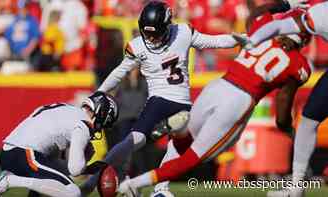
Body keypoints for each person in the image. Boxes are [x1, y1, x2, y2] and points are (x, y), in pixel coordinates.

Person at [118, 0, 314, 195]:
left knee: (186, 144)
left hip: (218, 86)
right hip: (240, 100)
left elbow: (257, 12)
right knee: (196, 156)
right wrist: (288, 130)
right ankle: (134, 183)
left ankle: (174, 152)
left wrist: (286, 4)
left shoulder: (262, 31)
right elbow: (282, 109)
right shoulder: (299, 65)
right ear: (304, 38)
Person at [80, 1, 245, 196]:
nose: (150, 38)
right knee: (135, 140)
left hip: (182, 102)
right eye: (147, 33)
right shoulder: (139, 45)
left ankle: (161, 189)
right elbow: (119, 72)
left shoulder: (182, 32)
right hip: (158, 100)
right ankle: (93, 179)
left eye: (155, 33)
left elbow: (214, 41)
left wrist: (241, 38)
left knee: (178, 146)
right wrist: (100, 92)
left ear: (167, 27)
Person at [238, 1, 328, 197]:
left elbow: (272, 22)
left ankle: (296, 186)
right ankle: (296, 187)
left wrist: (254, 41)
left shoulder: (320, 13)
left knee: (307, 122)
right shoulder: (321, 14)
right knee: (307, 122)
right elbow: (280, 26)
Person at [0, 91, 118, 197]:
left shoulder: (67, 109)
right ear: (101, 114)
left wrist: (90, 168)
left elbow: (60, 168)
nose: (99, 129)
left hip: (10, 153)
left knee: (55, 182)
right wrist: (88, 164)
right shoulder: (84, 124)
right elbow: (75, 169)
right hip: (24, 153)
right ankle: (9, 180)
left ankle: (14, 182)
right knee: (73, 192)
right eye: (103, 125)